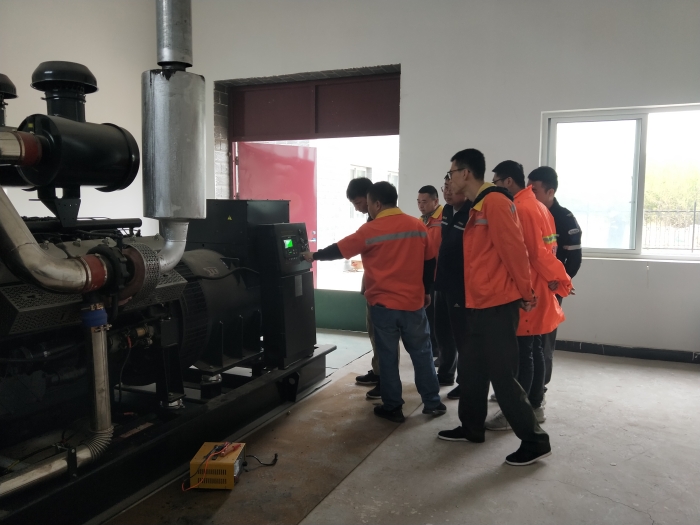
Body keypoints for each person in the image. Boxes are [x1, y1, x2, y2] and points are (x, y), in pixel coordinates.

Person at [437, 148, 551, 466]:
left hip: (497, 306)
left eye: (451, 173)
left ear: (465, 173)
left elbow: (514, 251)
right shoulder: (477, 205)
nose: (449, 179)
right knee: (471, 370)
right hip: (477, 303)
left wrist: (526, 292)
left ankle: (535, 440)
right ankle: (472, 427)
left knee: (502, 377)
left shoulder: (496, 202)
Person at [303, 182, 446, 422]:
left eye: (368, 204)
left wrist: (314, 255)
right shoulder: (417, 225)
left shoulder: (370, 230)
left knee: (387, 357)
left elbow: (341, 249)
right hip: (414, 304)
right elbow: (430, 261)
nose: (367, 208)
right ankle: (432, 402)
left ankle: (393, 407)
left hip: (383, 306)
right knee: (423, 354)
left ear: (377, 204)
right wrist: (427, 291)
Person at [485, 161, 572, 431]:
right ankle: (534, 404)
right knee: (532, 350)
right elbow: (547, 252)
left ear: (508, 182)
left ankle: (518, 412)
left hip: (529, 290)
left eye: (496, 182)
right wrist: (558, 280)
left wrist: (561, 281)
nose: (495, 188)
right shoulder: (540, 207)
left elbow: (534, 254)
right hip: (538, 286)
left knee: (523, 354)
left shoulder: (521, 209)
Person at [528, 166, 582, 389]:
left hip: (550, 289)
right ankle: (524, 384)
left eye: (534, 190)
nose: (529, 194)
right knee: (526, 339)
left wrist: (559, 280)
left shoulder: (564, 218)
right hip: (528, 287)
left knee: (544, 341)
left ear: (550, 192)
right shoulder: (528, 213)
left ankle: (539, 388)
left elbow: (574, 259)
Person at [347, 177, 395, 400]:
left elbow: (346, 247)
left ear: (370, 199)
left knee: (383, 337)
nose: (357, 208)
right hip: (373, 286)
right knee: (374, 333)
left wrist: (316, 255)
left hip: (384, 290)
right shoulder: (372, 221)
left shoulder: (381, 224)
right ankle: (378, 372)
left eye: (358, 203)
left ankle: (386, 382)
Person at [433, 177, 471, 399]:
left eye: (451, 188)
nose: (447, 192)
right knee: (442, 331)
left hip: (461, 285)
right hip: (442, 281)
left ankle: (465, 382)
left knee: (462, 336)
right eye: (445, 188)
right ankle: (445, 373)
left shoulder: (472, 212)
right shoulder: (447, 211)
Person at [417, 185, 443, 359]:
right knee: (428, 314)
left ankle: (440, 350)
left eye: (424, 202)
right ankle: (432, 348)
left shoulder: (444, 218)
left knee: (439, 317)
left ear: (435, 201)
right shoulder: (421, 221)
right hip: (426, 275)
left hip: (441, 275)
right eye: (419, 202)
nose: (421, 205)